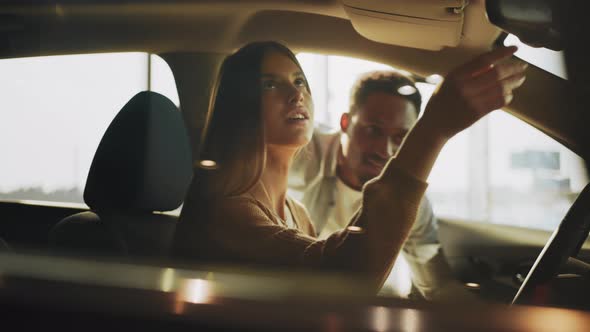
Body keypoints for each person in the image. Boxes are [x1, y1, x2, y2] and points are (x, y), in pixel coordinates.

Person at [174, 41, 527, 293]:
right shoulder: (222, 209)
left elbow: (432, 282)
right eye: (270, 84)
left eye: (299, 81)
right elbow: (341, 276)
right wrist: (433, 130)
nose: (296, 94)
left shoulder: (294, 212)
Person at [288, 71, 456, 299]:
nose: (384, 150)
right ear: (345, 122)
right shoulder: (300, 149)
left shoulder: (410, 202)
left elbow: (436, 286)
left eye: (400, 137)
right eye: (373, 130)